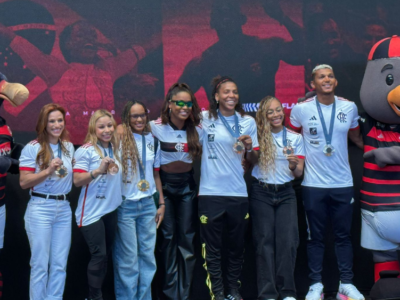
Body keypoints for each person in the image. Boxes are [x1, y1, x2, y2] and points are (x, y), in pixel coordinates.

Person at [289, 65, 364, 300]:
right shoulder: (301, 110)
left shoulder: (349, 107)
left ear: (336, 81)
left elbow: (356, 137)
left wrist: (378, 151)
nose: (327, 79)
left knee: (344, 236)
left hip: (343, 182)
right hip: (313, 184)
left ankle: (347, 283)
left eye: (331, 75)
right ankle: (315, 285)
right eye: (321, 77)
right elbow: (290, 137)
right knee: (315, 237)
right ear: (313, 84)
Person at [198, 76, 259, 300]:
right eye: (226, 92)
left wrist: (250, 147)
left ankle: (233, 290)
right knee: (212, 249)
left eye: (234, 91)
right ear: (216, 96)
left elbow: (254, 159)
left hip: (237, 193)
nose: (231, 95)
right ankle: (218, 293)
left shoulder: (247, 122)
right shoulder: (203, 119)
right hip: (210, 194)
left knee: (236, 247)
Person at [150, 83, 202, 300]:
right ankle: (171, 294)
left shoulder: (198, 127)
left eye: (188, 103)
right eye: (179, 102)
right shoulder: (155, 126)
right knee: (168, 239)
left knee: (187, 239)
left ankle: (185, 294)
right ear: (169, 104)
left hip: (187, 186)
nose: (184, 107)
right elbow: (126, 128)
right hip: (165, 186)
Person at [250, 96, 305, 300]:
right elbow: (249, 160)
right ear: (263, 116)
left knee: (288, 242)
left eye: (278, 110)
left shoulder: (295, 137)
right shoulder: (257, 136)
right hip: (261, 191)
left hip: (286, 193)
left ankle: (288, 292)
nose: (276, 114)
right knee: (264, 243)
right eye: (270, 112)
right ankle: (268, 294)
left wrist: (293, 166)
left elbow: (298, 173)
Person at [19, 103, 74, 300]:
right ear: (44, 123)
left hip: (64, 209)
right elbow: (24, 182)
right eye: (52, 121)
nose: (57, 125)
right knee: (40, 264)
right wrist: (48, 171)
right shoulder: (32, 148)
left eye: (60, 120)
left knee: (59, 264)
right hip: (40, 209)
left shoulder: (68, 147)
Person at [113, 101, 164, 300]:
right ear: (127, 118)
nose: (140, 119)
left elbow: (156, 175)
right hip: (126, 205)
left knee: (148, 258)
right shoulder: (118, 138)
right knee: (128, 260)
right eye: (134, 116)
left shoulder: (153, 140)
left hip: (148, 205)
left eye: (143, 115)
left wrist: (161, 203)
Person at [73, 109, 122, 300]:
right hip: (91, 213)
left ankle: (97, 296)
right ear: (94, 128)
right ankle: (94, 298)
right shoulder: (85, 150)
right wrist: (98, 171)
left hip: (111, 210)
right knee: (99, 255)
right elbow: (77, 181)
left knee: (104, 256)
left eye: (110, 125)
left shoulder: (116, 149)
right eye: (101, 127)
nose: (107, 130)